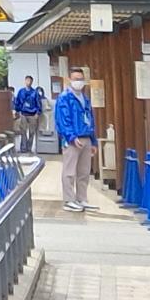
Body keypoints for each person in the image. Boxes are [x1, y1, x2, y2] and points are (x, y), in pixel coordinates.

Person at [51, 68, 97, 207]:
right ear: (70, 80)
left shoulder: (85, 99)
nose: (79, 82)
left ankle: (82, 198)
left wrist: (93, 141)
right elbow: (63, 119)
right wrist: (71, 136)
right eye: (76, 79)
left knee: (84, 171)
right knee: (69, 171)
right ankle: (69, 199)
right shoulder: (64, 97)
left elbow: (90, 119)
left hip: (86, 137)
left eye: (81, 79)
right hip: (72, 139)